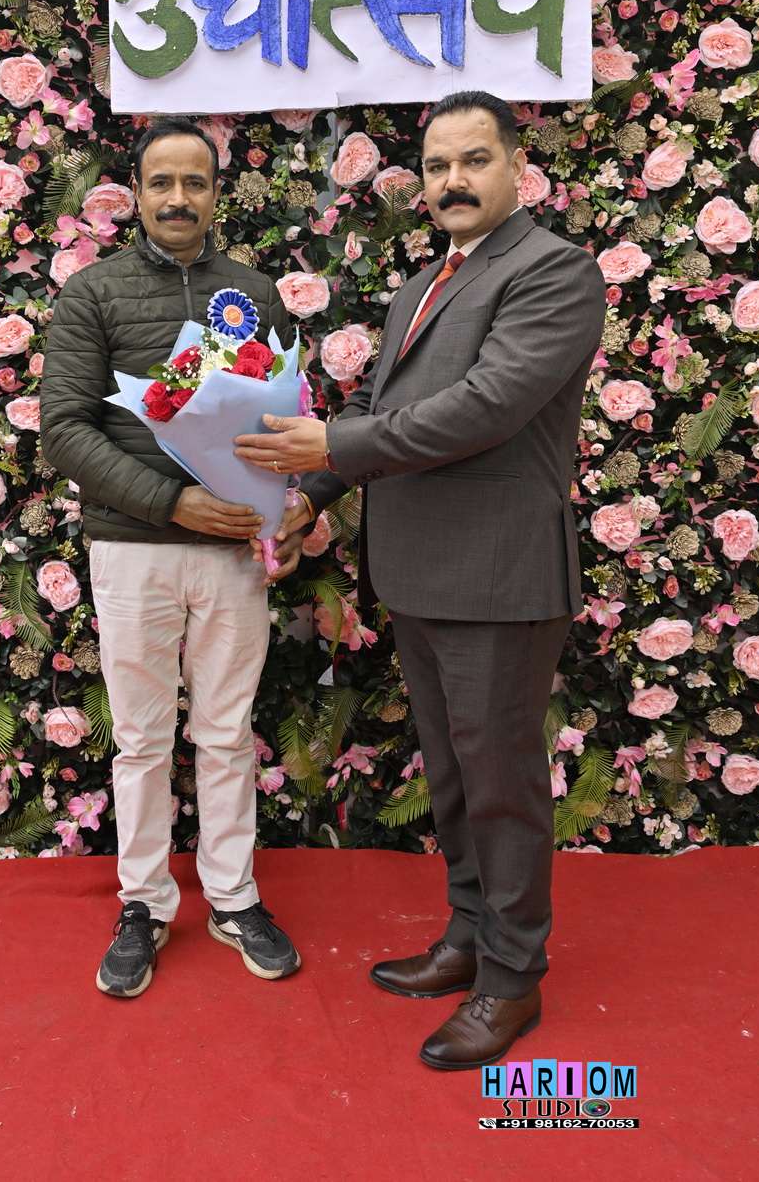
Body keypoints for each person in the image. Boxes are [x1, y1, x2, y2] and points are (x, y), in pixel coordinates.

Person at [237, 90, 607, 1069]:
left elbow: (485, 407)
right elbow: (379, 404)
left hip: (498, 575)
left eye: (474, 160)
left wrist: (332, 445)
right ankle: (469, 937)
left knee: (501, 787)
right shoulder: (422, 285)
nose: (453, 180)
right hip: (421, 573)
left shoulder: (553, 272)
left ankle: (511, 980)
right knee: (452, 779)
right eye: (438, 165)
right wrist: (312, 492)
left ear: (517, 167)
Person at [40, 117, 303, 998]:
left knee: (226, 732)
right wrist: (171, 501)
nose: (179, 198)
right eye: (163, 183)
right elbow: (64, 430)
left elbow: (284, 419)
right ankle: (144, 903)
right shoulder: (94, 293)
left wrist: (286, 502)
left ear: (217, 194)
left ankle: (232, 896)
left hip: (232, 553)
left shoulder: (255, 292)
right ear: (137, 194)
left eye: (196, 182)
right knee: (143, 739)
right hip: (134, 550)